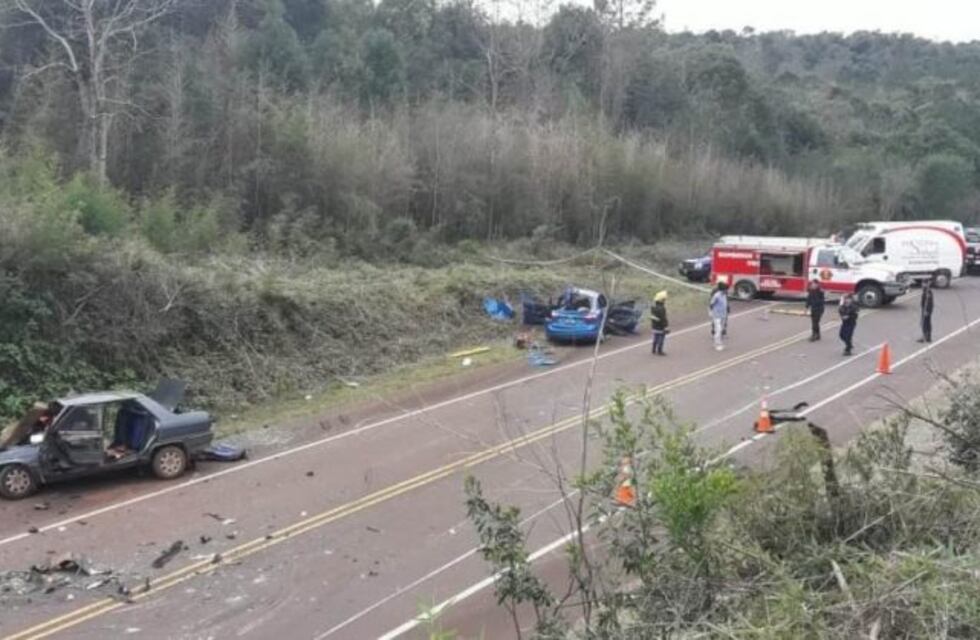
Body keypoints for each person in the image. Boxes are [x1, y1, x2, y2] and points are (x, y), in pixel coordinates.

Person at [709, 281, 729, 351]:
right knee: (718, 330)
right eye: (726, 289)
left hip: (723, 314)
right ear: (722, 289)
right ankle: (718, 344)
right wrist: (711, 312)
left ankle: (717, 342)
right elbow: (711, 304)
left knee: (721, 330)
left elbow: (725, 303)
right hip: (716, 315)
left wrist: (727, 310)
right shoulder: (716, 295)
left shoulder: (725, 295)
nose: (727, 290)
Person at [650, 290, 669, 355]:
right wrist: (666, 326)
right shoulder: (662, 309)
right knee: (661, 339)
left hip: (654, 326)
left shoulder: (653, 308)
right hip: (660, 327)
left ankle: (653, 349)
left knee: (655, 338)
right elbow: (663, 318)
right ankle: (659, 350)